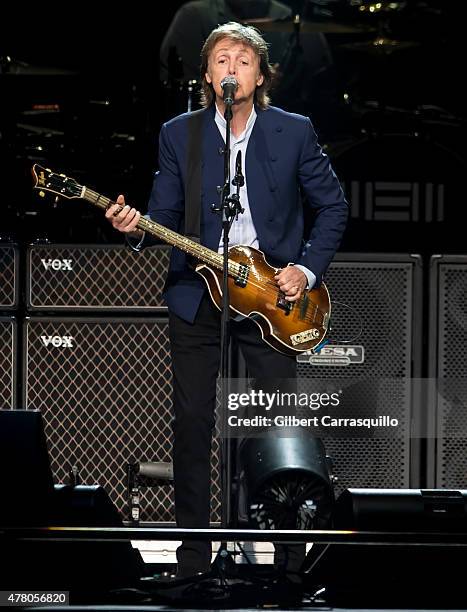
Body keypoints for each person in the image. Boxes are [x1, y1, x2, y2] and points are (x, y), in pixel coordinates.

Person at [106, 21, 348, 578]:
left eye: (242, 60)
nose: (231, 69)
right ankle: (193, 560)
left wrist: (305, 271)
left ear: (260, 75)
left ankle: (288, 562)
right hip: (199, 292)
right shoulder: (180, 134)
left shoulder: (293, 131)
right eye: (221, 60)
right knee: (192, 423)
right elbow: (162, 217)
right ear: (208, 75)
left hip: (272, 298)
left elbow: (332, 207)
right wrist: (135, 227)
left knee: (278, 424)